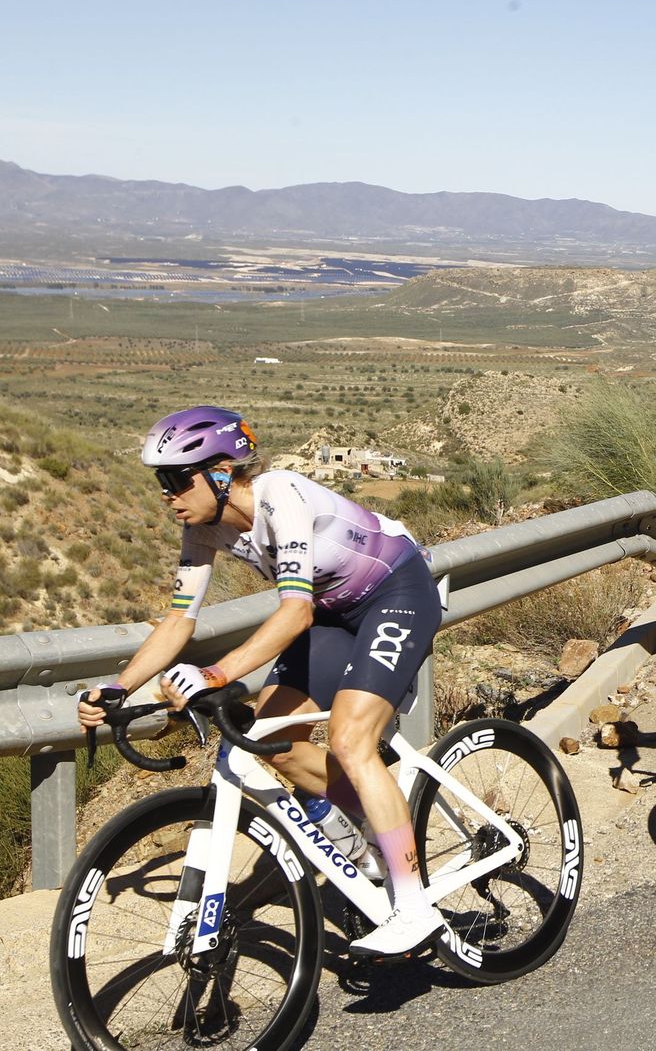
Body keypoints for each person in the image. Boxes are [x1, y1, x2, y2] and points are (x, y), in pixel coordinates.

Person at [77, 406, 445, 956]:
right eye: (161, 481)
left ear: (222, 473)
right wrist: (120, 686)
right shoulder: (202, 530)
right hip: (332, 614)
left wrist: (216, 673)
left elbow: (293, 612)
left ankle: (415, 908)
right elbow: (179, 618)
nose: (166, 494)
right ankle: (373, 824)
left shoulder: (281, 496)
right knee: (270, 742)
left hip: (395, 593)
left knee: (348, 738)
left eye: (177, 479)